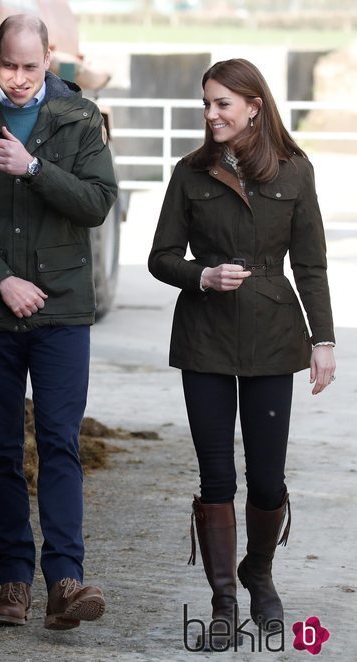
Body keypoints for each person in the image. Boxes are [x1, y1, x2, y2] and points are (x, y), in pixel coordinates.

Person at [0, 14, 117, 629]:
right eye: (9, 66)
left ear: (49, 59)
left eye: (30, 67)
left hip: (61, 310)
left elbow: (96, 203)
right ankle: (13, 582)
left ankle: (65, 579)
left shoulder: (80, 119)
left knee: (60, 442)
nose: (18, 79)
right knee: (1, 449)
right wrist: (1, 281)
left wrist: (33, 168)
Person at [148, 58, 336, 651]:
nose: (211, 114)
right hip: (204, 337)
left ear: (254, 106)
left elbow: (310, 264)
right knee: (215, 476)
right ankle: (224, 600)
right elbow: (160, 255)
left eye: (221, 104)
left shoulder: (295, 171)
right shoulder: (190, 172)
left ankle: (260, 573)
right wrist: (201, 276)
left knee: (268, 475)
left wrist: (323, 341)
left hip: (273, 337)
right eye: (206, 104)